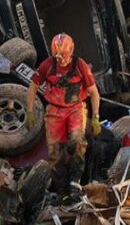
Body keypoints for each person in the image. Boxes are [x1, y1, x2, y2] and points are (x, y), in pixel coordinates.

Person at [26, 33, 101, 194]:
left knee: (77, 141)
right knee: (55, 152)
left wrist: (95, 117)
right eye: (58, 56)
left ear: (71, 50)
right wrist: (30, 111)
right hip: (54, 110)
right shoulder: (47, 65)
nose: (61, 59)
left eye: (64, 55)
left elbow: (94, 93)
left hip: (75, 108)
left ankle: (75, 182)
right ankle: (61, 191)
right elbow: (32, 87)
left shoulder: (80, 66)